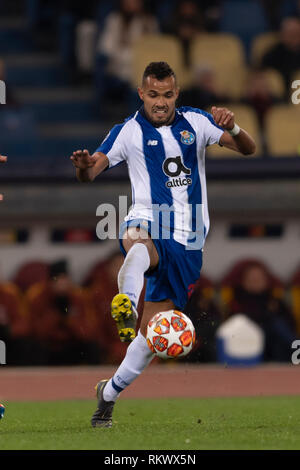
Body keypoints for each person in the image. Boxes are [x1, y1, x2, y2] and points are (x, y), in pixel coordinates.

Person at [70, 61, 256, 428]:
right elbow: (91, 171)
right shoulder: (127, 132)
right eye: (153, 94)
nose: (160, 102)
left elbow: (247, 149)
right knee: (137, 243)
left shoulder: (198, 123)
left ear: (176, 94)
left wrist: (232, 125)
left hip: (188, 244)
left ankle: (107, 395)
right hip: (148, 220)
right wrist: (82, 165)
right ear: (141, 93)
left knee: (151, 337)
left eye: (167, 95)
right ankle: (125, 300)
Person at [225, 262, 297, 362]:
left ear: (266, 281)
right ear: (244, 281)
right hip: (248, 341)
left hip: (276, 343)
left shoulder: (275, 300)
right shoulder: (237, 301)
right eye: (251, 279)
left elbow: (290, 322)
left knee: (278, 327)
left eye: (259, 278)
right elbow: (234, 324)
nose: (255, 281)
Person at [261, 17, 300, 94]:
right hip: (278, 98)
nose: (293, 36)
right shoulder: (271, 55)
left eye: (296, 33)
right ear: (282, 34)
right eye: (289, 33)